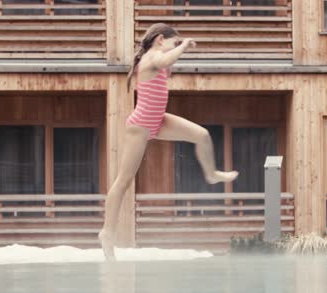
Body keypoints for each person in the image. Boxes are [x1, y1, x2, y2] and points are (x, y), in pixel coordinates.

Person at [99, 23, 238, 260]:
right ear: (160, 40)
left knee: (202, 135)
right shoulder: (153, 57)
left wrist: (173, 57)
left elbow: (164, 68)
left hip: (159, 121)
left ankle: (211, 173)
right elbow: (163, 62)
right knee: (123, 181)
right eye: (173, 43)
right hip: (140, 126)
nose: (175, 48)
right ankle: (107, 233)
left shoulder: (158, 60)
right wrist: (183, 46)